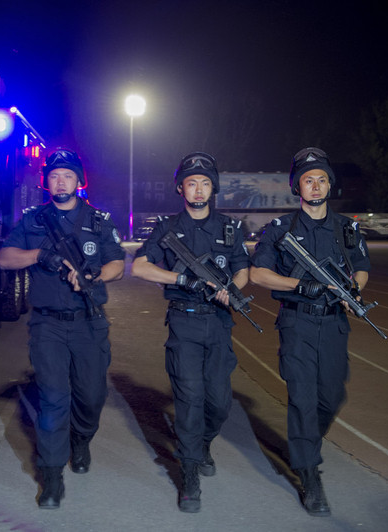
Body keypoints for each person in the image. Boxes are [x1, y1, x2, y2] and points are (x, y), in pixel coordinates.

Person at [0, 148, 125, 509]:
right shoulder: (33, 220)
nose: (60, 181)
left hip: (89, 323)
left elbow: (118, 262)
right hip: (48, 325)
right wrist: (39, 255)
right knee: (53, 399)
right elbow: (5, 258)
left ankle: (81, 440)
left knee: (91, 396)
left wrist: (94, 275)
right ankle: (51, 476)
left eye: (67, 175)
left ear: (79, 181)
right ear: (46, 182)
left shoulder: (98, 220)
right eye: (54, 176)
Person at [250, 147, 371, 516]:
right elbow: (258, 274)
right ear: (296, 186)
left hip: (334, 322)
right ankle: (309, 474)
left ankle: (304, 445)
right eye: (308, 179)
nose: (315, 186)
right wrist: (298, 285)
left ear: (329, 185)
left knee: (332, 396)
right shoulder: (280, 229)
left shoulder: (347, 228)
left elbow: (362, 266)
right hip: (297, 321)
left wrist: (354, 289)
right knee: (303, 398)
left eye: (321, 179)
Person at [131, 152, 250, 513]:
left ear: (213, 189)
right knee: (189, 399)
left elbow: (243, 269)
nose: (198, 190)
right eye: (191, 183)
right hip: (183, 321)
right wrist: (180, 278)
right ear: (181, 188)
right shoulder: (166, 228)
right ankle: (190, 476)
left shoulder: (230, 228)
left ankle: (202, 444)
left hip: (218, 322)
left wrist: (232, 287)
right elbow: (139, 267)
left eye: (205, 183)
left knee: (219, 402)